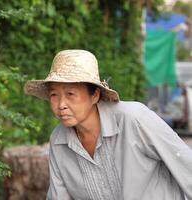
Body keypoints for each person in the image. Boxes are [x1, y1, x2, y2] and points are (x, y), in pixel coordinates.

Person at [24, 50, 192, 200]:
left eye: (71, 94)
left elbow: (186, 165)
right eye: (54, 95)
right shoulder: (58, 140)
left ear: (95, 95)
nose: (61, 104)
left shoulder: (135, 119)